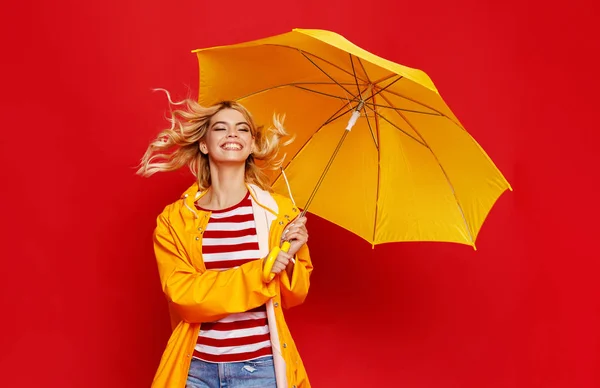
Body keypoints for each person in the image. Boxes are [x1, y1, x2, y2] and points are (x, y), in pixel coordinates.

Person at [137, 92, 313, 388]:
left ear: (252, 145)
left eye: (242, 128)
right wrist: (260, 271)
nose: (233, 133)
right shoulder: (176, 219)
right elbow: (184, 297)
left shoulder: (279, 212)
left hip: (260, 369)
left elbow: (295, 296)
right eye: (221, 127)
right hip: (196, 369)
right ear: (203, 144)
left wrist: (291, 260)